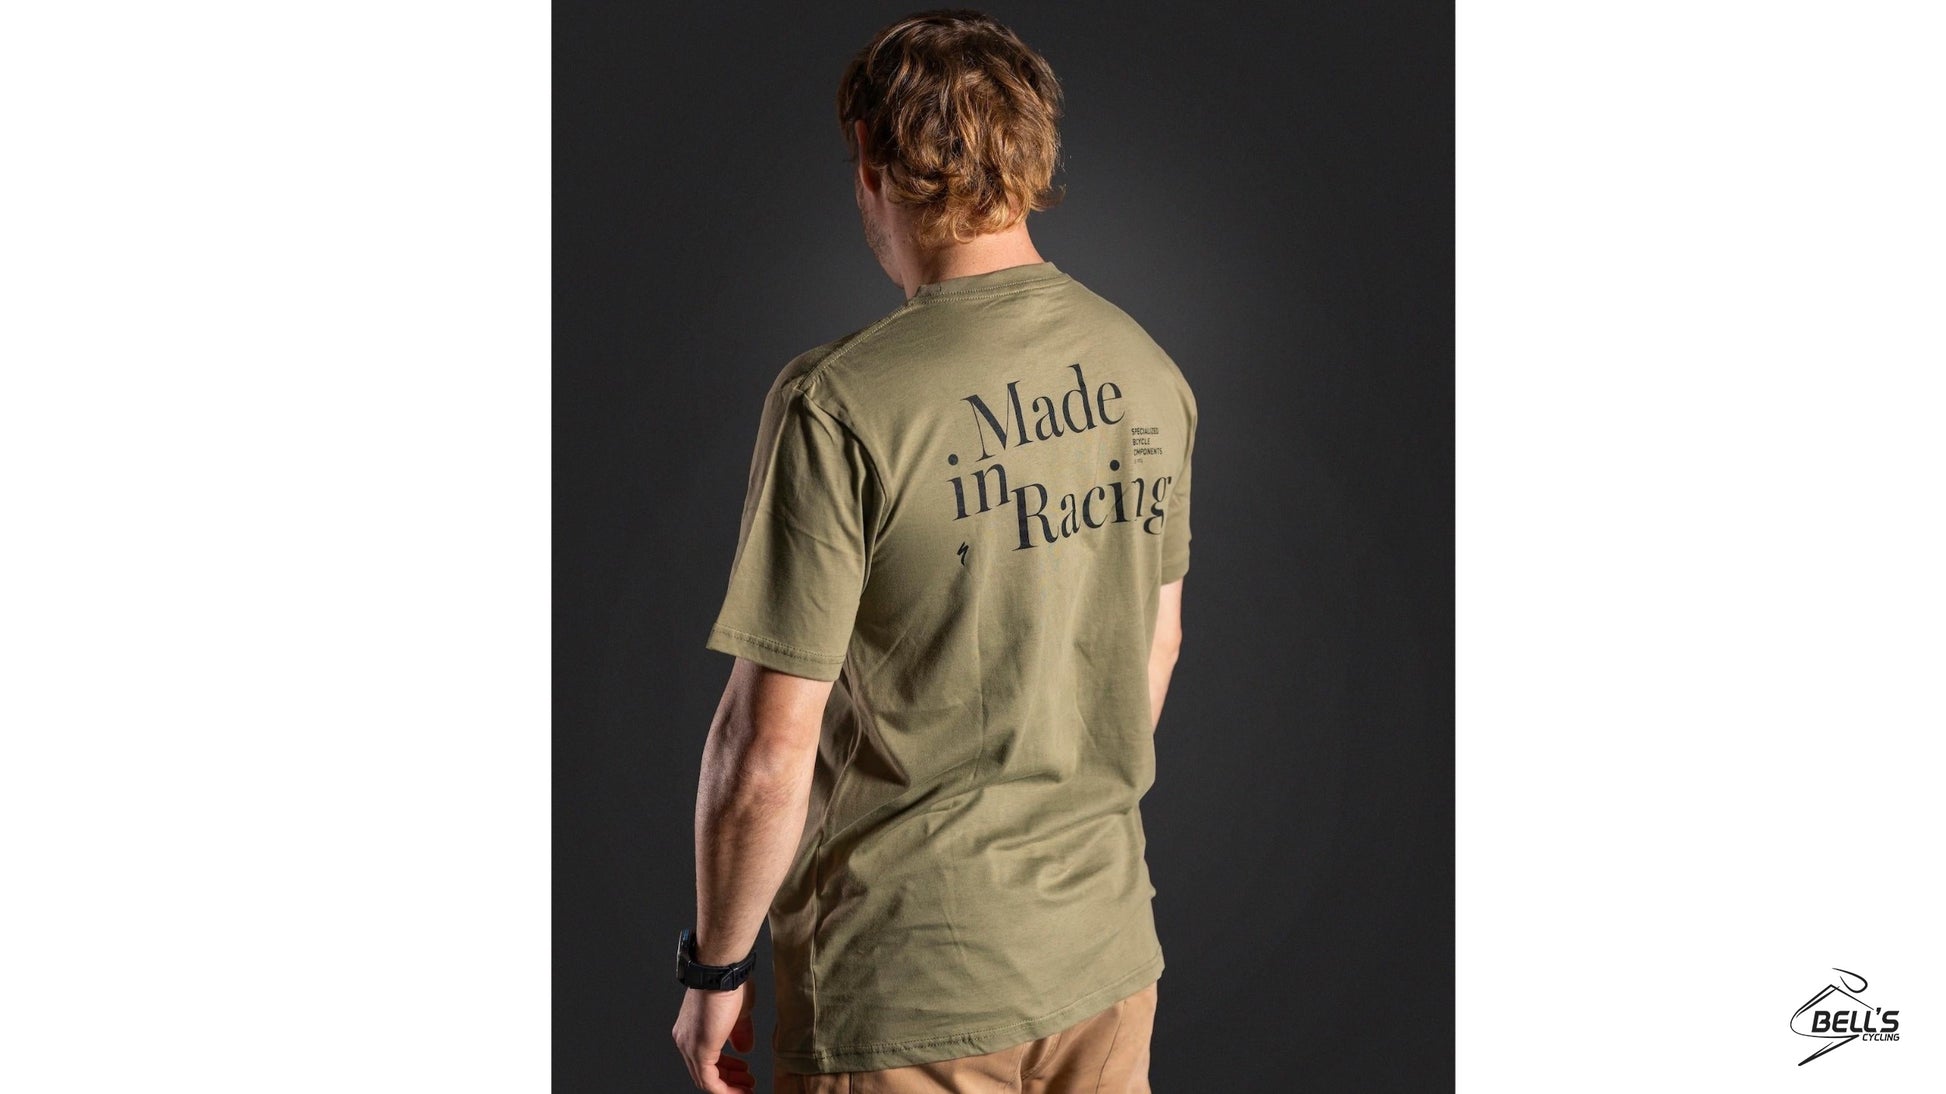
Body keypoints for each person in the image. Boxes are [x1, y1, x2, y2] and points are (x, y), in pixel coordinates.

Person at [671, 11, 1197, 1092]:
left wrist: (714, 965)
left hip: (907, 988)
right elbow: (1155, 644)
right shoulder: (1146, 369)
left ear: (870, 156)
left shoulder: (839, 402)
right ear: (1032, 152)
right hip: (1102, 961)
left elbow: (764, 751)